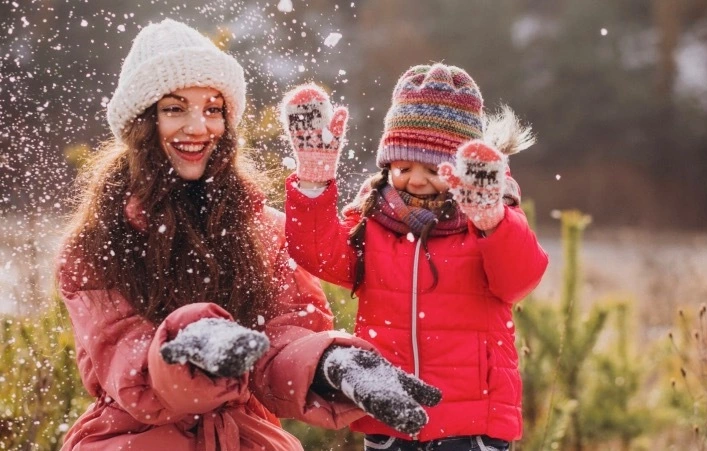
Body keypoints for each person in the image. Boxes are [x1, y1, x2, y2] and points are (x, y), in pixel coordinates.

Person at [57, 19, 440, 451]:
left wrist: (329, 363)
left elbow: (280, 339)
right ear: (142, 123)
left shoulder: (260, 229)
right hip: (131, 439)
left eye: (213, 109)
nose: (199, 127)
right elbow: (128, 366)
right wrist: (190, 346)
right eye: (175, 108)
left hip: (245, 438)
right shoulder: (94, 244)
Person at [281, 64, 549, 450]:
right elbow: (318, 254)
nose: (416, 180)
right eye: (403, 167)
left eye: (433, 170)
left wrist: (491, 222)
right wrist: (313, 182)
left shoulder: (489, 220)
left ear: (463, 171)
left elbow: (519, 279)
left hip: (473, 426)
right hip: (390, 416)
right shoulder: (373, 220)